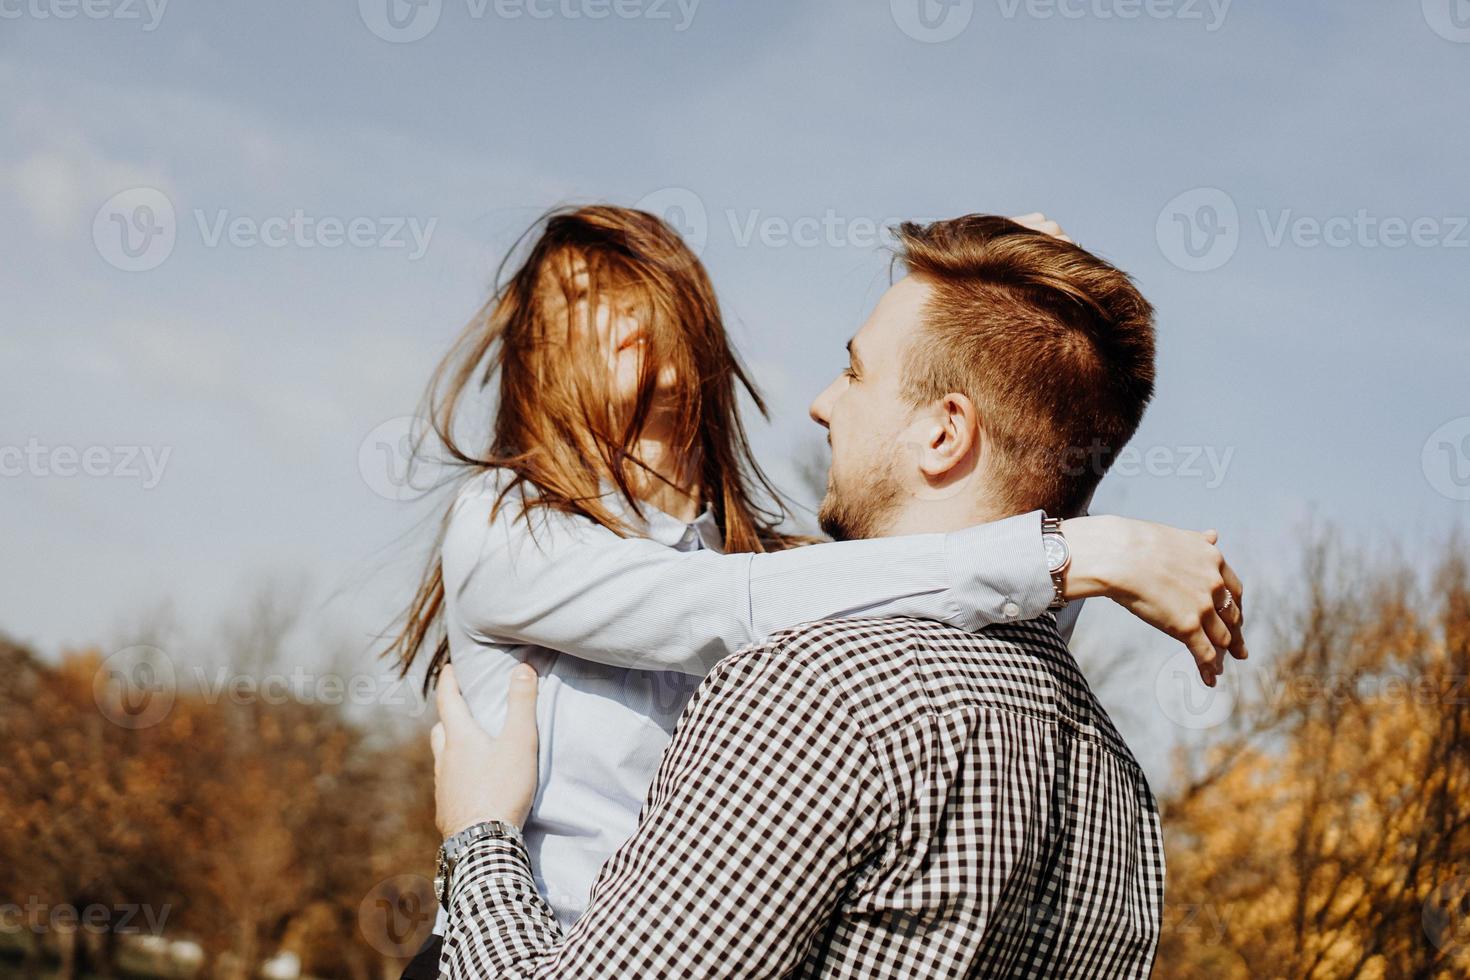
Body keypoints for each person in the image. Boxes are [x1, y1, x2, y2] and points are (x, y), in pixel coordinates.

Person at [387, 206, 1244, 938]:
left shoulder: (768, 563)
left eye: (634, 285)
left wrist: (1024, 332)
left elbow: (962, 621)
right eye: (573, 299)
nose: (617, 317)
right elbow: (723, 611)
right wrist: (1071, 553)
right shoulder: (506, 519)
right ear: (534, 355)